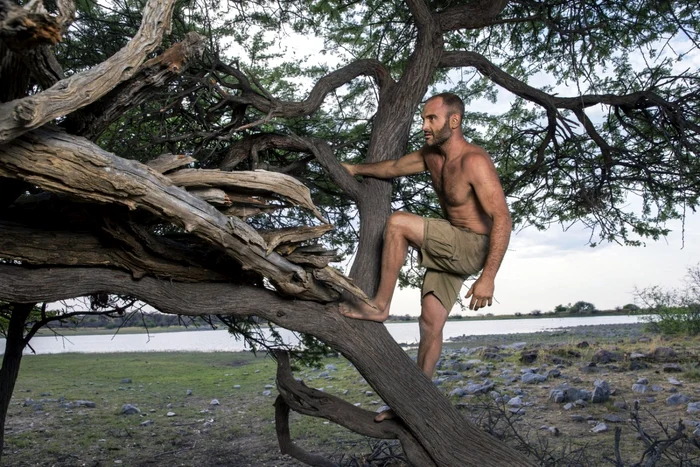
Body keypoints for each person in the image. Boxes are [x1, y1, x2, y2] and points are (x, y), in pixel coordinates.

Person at [339, 92, 512, 421]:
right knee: (430, 323)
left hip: (473, 245)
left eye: (431, 119)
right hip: (451, 246)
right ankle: (415, 404)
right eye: (423, 119)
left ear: (454, 121)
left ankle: (379, 306)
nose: (424, 126)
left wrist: (488, 278)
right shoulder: (432, 156)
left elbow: (503, 218)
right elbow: (391, 167)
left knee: (398, 224)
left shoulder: (474, 161)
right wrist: (354, 168)